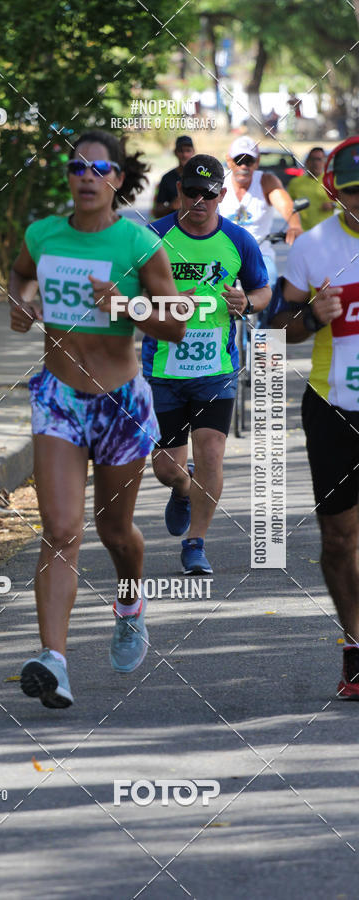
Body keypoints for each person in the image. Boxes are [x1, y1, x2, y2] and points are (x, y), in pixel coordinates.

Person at [9, 130, 186, 709]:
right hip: (58, 396)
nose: (85, 177)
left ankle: (131, 602)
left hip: (120, 404)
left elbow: (174, 325)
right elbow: (20, 273)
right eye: (76, 167)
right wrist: (21, 303)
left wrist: (127, 305)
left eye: (98, 168)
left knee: (115, 533)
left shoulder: (139, 245)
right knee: (61, 530)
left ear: (116, 179)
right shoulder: (43, 233)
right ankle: (53, 661)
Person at [144, 154, 271, 575]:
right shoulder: (153, 237)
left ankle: (196, 543)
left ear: (221, 194)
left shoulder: (239, 240)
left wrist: (247, 303)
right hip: (164, 370)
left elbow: (263, 291)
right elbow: (125, 296)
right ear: (179, 191)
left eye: (209, 193)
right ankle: (183, 488)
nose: (200, 200)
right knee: (167, 468)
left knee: (212, 453)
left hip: (216, 370)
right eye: (191, 191)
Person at [273, 137, 359, 698]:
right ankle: (356, 650)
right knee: (338, 539)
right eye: (355, 193)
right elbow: (278, 329)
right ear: (336, 192)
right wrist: (310, 315)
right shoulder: (315, 247)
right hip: (333, 408)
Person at [219, 135, 303, 289]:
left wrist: (294, 225)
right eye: (239, 160)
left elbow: (285, 204)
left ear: (257, 163)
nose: (243, 166)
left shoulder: (266, 181)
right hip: (224, 254)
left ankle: (266, 313)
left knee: (269, 282)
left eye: (249, 161)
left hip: (260, 254)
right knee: (214, 287)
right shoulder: (219, 183)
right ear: (229, 161)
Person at [288, 147, 337, 231]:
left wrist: (333, 205)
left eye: (319, 159)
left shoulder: (332, 181)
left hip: (326, 231)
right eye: (312, 159)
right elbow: (288, 206)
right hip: (303, 232)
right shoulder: (295, 182)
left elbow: (347, 202)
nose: (315, 163)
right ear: (307, 162)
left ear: (325, 162)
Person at [151, 135, 195, 219]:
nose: (184, 154)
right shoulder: (167, 178)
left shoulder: (201, 176)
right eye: (181, 151)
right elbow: (156, 212)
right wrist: (171, 206)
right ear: (175, 152)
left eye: (188, 151)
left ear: (193, 152)